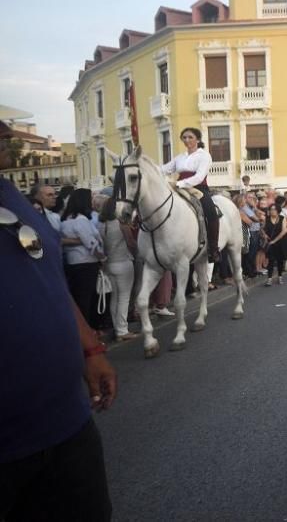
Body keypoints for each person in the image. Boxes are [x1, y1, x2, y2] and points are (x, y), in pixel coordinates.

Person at [0, 124, 116, 521]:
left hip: (68, 423)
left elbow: (44, 274)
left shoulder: (10, 194)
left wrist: (90, 347)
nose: (5, 133)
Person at [161, 127, 219, 262]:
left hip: (198, 188)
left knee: (211, 212)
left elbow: (199, 177)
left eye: (190, 137)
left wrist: (179, 184)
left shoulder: (204, 155)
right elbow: (164, 169)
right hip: (179, 188)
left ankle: (213, 249)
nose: (187, 140)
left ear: (197, 139)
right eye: (184, 137)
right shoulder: (180, 157)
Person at [61, 188, 105, 330]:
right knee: (87, 300)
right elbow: (91, 243)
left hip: (73, 262)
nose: (92, 201)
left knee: (80, 299)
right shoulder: (81, 220)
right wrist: (102, 258)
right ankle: (88, 331)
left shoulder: (66, 219)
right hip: (87, 263)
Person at [97, 196, 138, 342]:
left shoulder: (100, 224)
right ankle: (122, 330)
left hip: (109, 264)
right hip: (124, 262)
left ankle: (117, 328)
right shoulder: (121, 223)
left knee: (114, 299)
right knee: (124, 298)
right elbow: (131, 243)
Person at [262, 204, 287, 286]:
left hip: (280, 242)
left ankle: (280, 277)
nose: (273, 211)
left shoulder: (282, 218)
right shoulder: (267, 219)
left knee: (280, 260)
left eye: (274, 209)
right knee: (271, 261)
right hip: (271, 243)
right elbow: (262, 228)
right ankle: (269, 279)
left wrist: (274, 241)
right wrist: (264, 234)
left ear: (278, 210)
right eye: (271, 209)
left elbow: (284, 231)